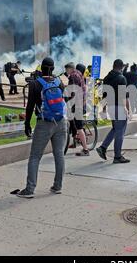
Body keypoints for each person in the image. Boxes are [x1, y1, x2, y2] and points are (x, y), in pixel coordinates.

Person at [16, 57, 67, 198]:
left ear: (41, 68)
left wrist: (26, 124)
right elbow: (64, 101)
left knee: (35, 157)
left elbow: (30, 107)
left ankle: (30, 189)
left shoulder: (35, 84)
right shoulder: (59, 82)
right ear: (53, 68)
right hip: (61, 121)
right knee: (59, 154)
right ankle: (58, 186)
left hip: (44, 123)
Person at [96, 59, 131, 164]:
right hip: (119, 107)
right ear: (121, 67)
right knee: (120, 132)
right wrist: (126, 108)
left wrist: (103, 107)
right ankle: (117, 156)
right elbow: (123, 95)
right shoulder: (122, 78)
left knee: (115, 128)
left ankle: (103, 147)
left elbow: (105, 94)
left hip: (110, 107)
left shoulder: (107, 78)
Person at [65, 62, 89, 157]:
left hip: (76, 104)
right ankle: (74, 141)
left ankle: (86, 150)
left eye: (66, 69)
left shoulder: (73, 76)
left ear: (70, 68)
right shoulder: (79, 75)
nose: (66, 71)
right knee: (72, 122)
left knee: (79, 127)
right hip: (80, 103)